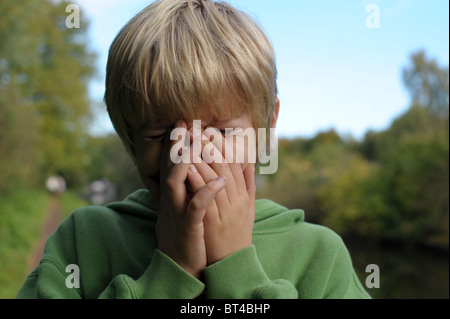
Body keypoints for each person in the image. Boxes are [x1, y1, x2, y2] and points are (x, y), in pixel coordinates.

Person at [17, 0, 371, 299]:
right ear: (129, 137)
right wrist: (172, 272)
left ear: (267, 125)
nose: (189, 156)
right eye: (161, 134)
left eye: (220, 130)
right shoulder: (83, 241)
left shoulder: (319, 256)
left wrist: (236, 269)